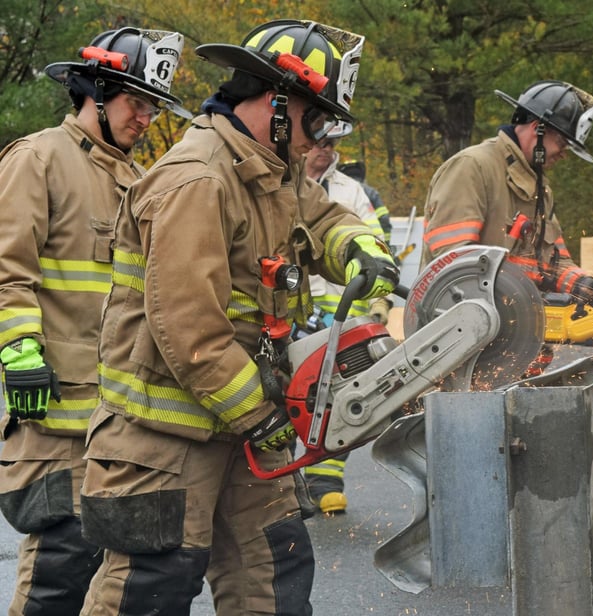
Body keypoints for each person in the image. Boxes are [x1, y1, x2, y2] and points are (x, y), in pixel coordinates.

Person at [76, 20, 398, 614]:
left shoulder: (269, 171)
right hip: (164, 439)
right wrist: (257, 413)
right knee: (152, 586)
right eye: (315, 119)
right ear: (276, 102)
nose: (318, 138)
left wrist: (359, 244)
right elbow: (187, 324)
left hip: (243, 425)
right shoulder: (196, 180)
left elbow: (323, 218)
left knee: (273, 574)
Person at [0, 27, 188, 615]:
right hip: (54, 408)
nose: (147, 117)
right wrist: (19, 349)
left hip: (116, 414)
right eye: (137, 101)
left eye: (153, 105)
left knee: (108, 565)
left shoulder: (136, 180)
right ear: (95, 92)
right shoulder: (38, 160)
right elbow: (8, 267)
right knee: (60, 559)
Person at [422, 80, 593, 320]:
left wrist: (587, 288)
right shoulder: (472, 168)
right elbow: (457, 266)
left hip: (515, 331)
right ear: (537, 128)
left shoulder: (539, 190)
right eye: (562, 143)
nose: (564, 154)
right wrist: (518, 298)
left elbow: (554, 264)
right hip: (459, 331)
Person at [301, 122, 392, 514]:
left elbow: (376, 244)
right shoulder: (278, 182)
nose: (325, 150)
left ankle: (324, 481)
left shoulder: (350, 192)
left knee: (340, 399)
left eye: (332, 144)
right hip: (296, 308)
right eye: (319, 142)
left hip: (343, 310)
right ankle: (287, 482)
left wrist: (380, 302)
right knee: (289, 400)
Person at [340, 158, 391, 244]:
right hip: (372, 243)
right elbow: (384, 218)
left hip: (345, 243)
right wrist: (386, 244)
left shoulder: (337, 192)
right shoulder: (371, 192)